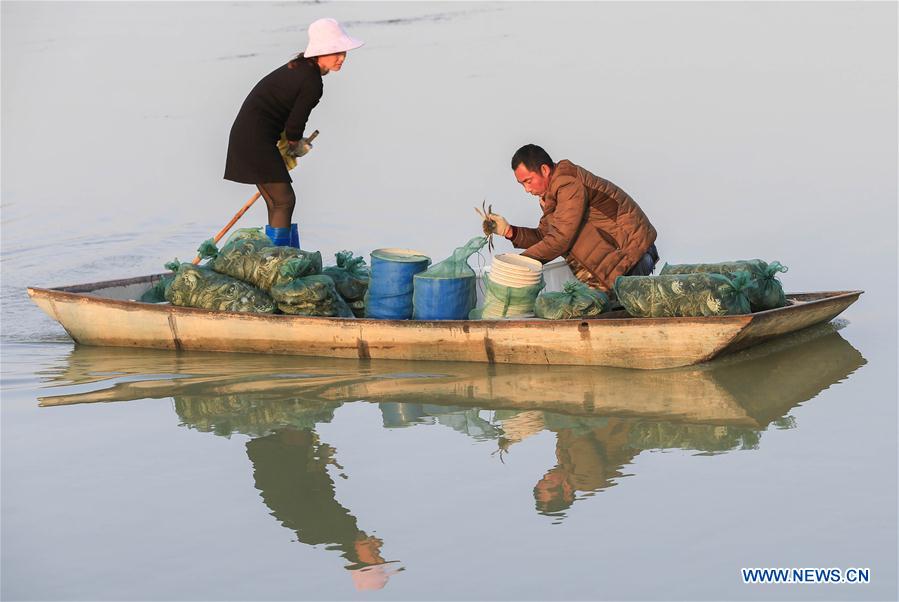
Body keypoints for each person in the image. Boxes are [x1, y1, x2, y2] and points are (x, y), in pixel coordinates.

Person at [224, 18, 363, 247]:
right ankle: (278, 262)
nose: (341, 58)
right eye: (335, 52)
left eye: (343, 52)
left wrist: (289, 144)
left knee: (276, 202)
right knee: (285, 201)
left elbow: (288, 121)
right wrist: (295, 146)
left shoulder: (299, 67)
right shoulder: (312, 81)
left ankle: (279, 256)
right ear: (319, 53)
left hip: (248, 137)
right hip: (255, 140)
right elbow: (295, 125)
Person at [486, 144, 659, 293]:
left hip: (632, 260)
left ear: (544, 170)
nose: (526, 189)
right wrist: (509, 232)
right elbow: (546, 238)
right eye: (522, 184)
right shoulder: (552, 196)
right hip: (618, 269)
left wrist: (517, 264)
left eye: (528, 181)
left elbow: (560, 239)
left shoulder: (568, 185)